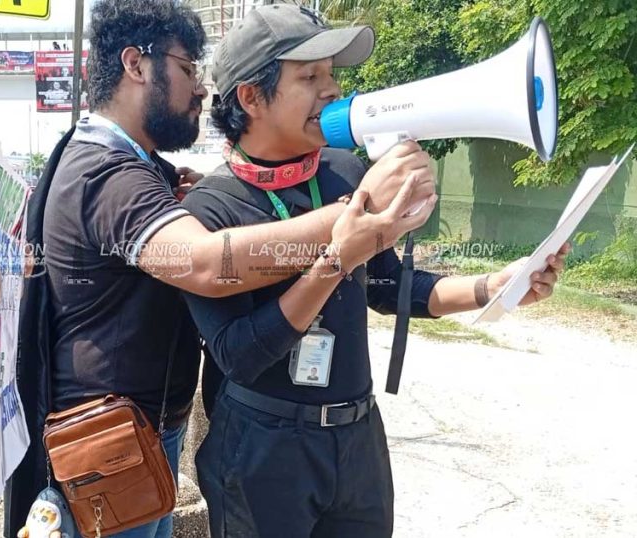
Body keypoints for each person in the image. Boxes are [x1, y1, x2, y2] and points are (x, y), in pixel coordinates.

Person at [10, 0, 441, 536]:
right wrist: (355, 217)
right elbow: (206, 264)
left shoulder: (133, 167)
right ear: (136, 65)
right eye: (187, 68)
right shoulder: (109, 176)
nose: (198, 89)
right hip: (109, 450)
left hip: (132, 440)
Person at [183, 5, 571, 537]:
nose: (332, 89)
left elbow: (389, 287)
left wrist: (490, 289)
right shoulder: (211, 210)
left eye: (332, 74)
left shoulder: (343, 170)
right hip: (260, 450)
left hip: (356, 439)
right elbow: (240, 355)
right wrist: (337, 255)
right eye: (310, 76)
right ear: (251, 97)